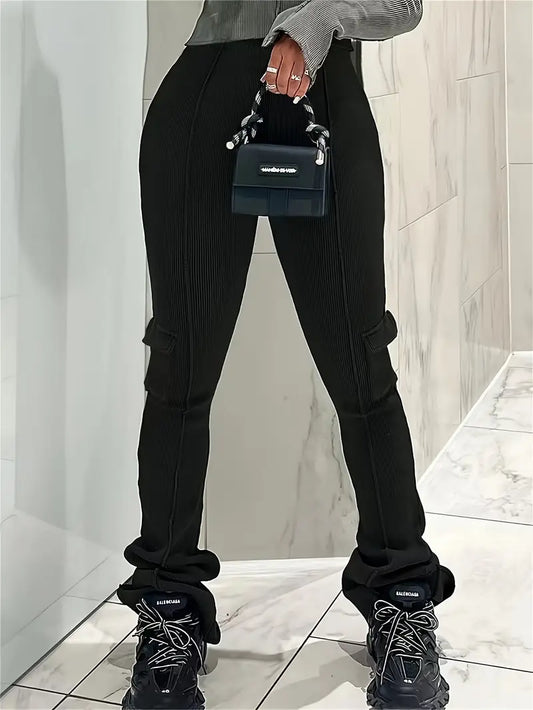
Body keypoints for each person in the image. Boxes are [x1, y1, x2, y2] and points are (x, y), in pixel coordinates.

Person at [117, 1, 456, 708]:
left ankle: (400, 595)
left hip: (323, 95)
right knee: (179, 368)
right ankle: (169, 610)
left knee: (361, 364)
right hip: (204, 92)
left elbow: (403, 5)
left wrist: (317, 18)